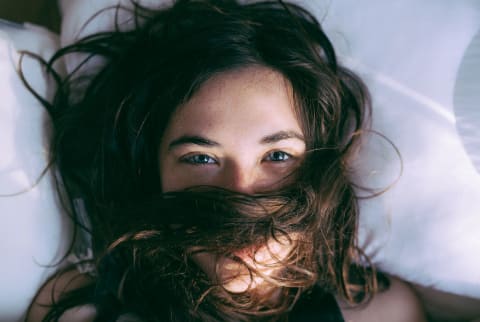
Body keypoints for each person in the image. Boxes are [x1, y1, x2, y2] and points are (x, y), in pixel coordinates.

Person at [25, 0, 426, 321]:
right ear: (154, 172)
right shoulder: (79, 308)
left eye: (278, 155)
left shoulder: (379, 313)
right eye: (201, 157)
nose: (240, 197)